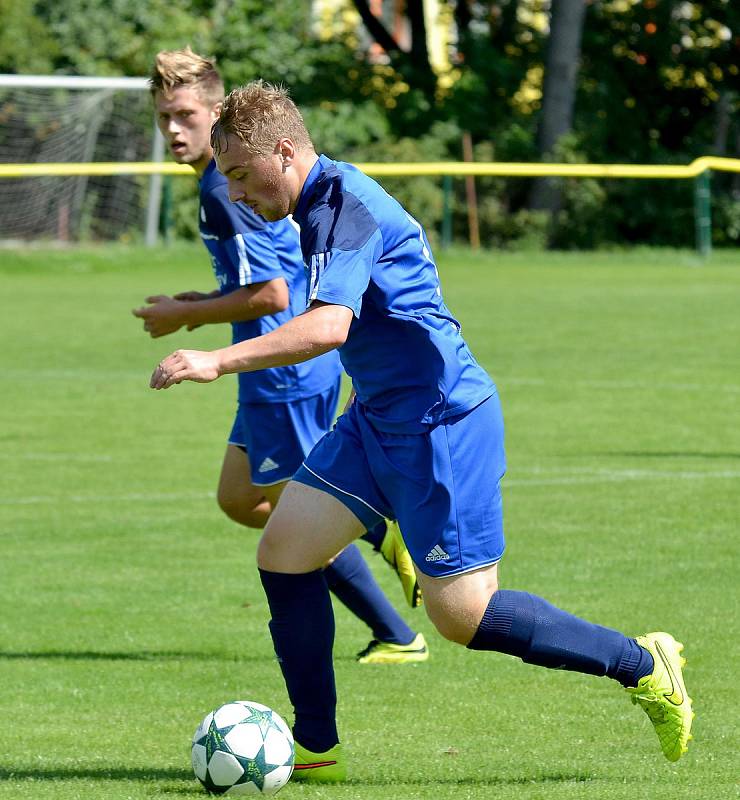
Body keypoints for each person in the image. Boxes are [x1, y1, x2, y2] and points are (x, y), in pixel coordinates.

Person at [149, 80, 694, 781]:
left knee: (463, 617)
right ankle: (316, 747)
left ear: (284, 151)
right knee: (284, 551)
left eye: (243, 175)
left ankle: (644, 663)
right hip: (375, 417)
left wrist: (213, 359)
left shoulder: (345, 208)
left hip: (442, 424)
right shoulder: (315, 205)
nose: (240, 193)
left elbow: (327, 327)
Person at [135, 49, 427, 666]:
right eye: (163, 116)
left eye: (184, 114)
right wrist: (199, 302)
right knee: (241, 499)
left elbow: (272, 294)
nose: (173, 130)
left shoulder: (223, 186)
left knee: (294, 516)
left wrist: (190, 319)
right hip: (273, 369)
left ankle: (395, 612)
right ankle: (379, 544)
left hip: (285, 371)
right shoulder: (229, 182)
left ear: (218, 115)